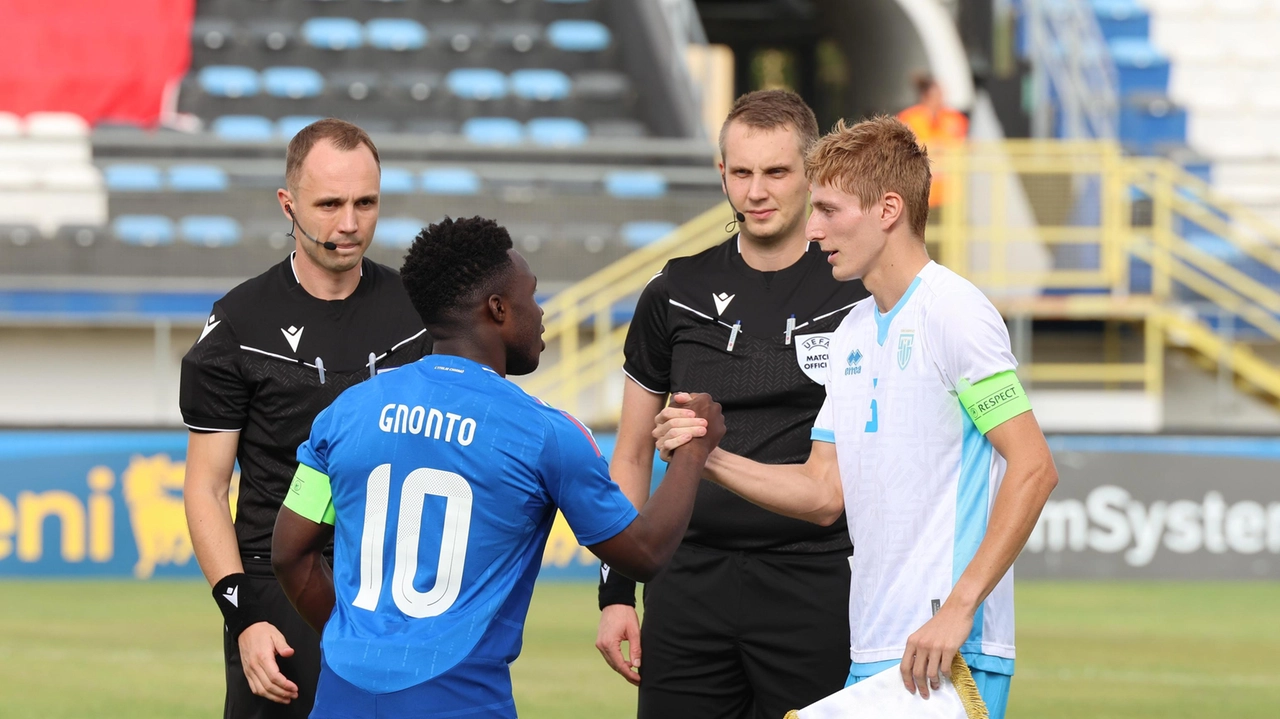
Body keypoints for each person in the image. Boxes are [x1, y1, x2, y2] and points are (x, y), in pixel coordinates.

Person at [655, 116, 1058, 719]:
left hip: (948, 648)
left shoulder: (955, 313)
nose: (813, 229)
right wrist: (705, 457)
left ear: (888, 209)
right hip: (872, 644)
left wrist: (958, 607)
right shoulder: (851, 332)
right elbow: (822, 492)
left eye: (829, 210)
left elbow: (1033, 467)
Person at [269, 216, 726, 719]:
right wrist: (695, 449)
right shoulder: (546, 433)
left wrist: (361, 643)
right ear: (499, 309)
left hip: (341, 697)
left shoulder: (345, 412)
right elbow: (644, 552)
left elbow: (290, 554)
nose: (542, 311)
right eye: (531, 295)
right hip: (460, 701)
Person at [595, 89, 869, 719]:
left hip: (816, 582)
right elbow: (633, 453)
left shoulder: (857, 295)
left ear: (812, 173)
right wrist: (616, 592)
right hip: (687, 579)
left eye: (776, 172)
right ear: (721, 172)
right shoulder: (673, 291)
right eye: (741, 172)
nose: (757, 191)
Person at [180, 119, 432, 718]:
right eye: (329, 204)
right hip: (277, 591)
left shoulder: (423, 316)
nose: (349, 224)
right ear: (287, 204)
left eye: (365, 202)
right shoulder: (238, 324)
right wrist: (242, 617)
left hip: (396, 592)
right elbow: (206, 487)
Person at [896, 74, 968, 212]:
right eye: (938, 95)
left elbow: (962, 146)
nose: (941, 99)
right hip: (920, 193)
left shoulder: (954, 119)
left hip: (950, 193)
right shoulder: (909, 118)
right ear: (926, 96)